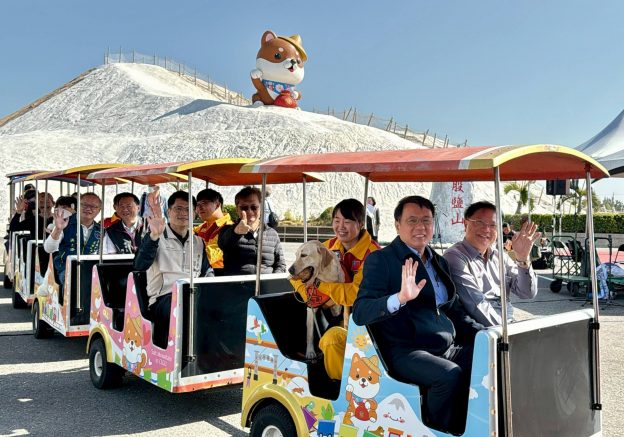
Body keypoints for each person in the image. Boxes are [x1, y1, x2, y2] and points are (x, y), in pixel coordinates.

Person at [353, 195, 483, 434]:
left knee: (490, 357)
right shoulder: (382, 260)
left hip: (444, 346)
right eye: (412, 220)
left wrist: (488, 335)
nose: (420, 227)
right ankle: (437, 430)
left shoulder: (438, 262)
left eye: (426, 220)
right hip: (405, 350)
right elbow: (361, 312)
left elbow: (454, 310)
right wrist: (399, 298)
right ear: (397, 225)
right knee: (448, 375)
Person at [290, 198, 380, 380]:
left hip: (367, 321)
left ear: (361, 224)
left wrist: (321, 287)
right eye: (337, 221)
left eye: (347, 221)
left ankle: (343, 387)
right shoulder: (326, 247)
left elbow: (354, 295)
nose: (341, 227)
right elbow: (294, 275)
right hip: (336, 317)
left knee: (331, 340)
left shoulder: (373, 254)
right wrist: (308, 294)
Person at [134, 190, 213, 348]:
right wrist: (154, 236)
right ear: (169, 211)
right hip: (163, 298)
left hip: (193, 294)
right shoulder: (156, 237)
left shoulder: (198, 242)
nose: (183, 213)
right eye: (178, 208)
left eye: (188, 209)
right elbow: (139, 265)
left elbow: (207, 272)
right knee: (185, 307)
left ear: (194, 213)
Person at [443, 201, 540, 327]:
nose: (486, 229)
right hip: (481, 330)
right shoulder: (455, 257)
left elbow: (527, 293)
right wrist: (507, 330)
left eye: (493, 225)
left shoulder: (500, 256)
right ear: (465, 224)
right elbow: (476, 305)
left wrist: (522, 259)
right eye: (480, 222)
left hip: (507, 324)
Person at [43, 193, 102, 296]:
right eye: (85, 205)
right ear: (78, 206)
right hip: (66, 269)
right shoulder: (64, 222)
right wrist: (58, 229)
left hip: (90, 270)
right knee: (77, 279)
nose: (88, 208)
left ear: (99, 210)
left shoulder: (101, 230)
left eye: (93, 206)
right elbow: (49, 248)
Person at [218, 186, 286, 275]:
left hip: (266, 282)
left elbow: (280, 265)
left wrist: (272, 281)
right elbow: (223, 244)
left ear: (261, 208)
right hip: (237, 282)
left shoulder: (272, 234)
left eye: (254, 207)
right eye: (244, 208)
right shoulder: (227, 230)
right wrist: (236, 233)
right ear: (237, 210)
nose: (249, 212)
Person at [193, 188, 233, 274]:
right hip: (200, 272)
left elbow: (212, 255)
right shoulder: (200, 228)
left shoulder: (229, 228)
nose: (199, 208)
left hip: (221, 274)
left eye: (204, 203)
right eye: (197, 204)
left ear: (217, 205)